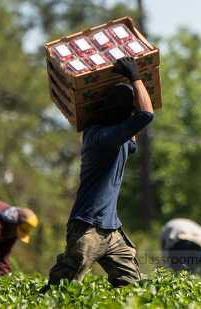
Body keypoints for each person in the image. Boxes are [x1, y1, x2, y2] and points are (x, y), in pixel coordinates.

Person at [42, 57, 154, 291]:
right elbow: (146, 116)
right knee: (62, 288)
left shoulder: (117, 136)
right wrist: (135, 76)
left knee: (132, 287)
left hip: (111, 229)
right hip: (87, 228)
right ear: (124, 113)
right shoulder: (101, 137)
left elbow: (135, 132)